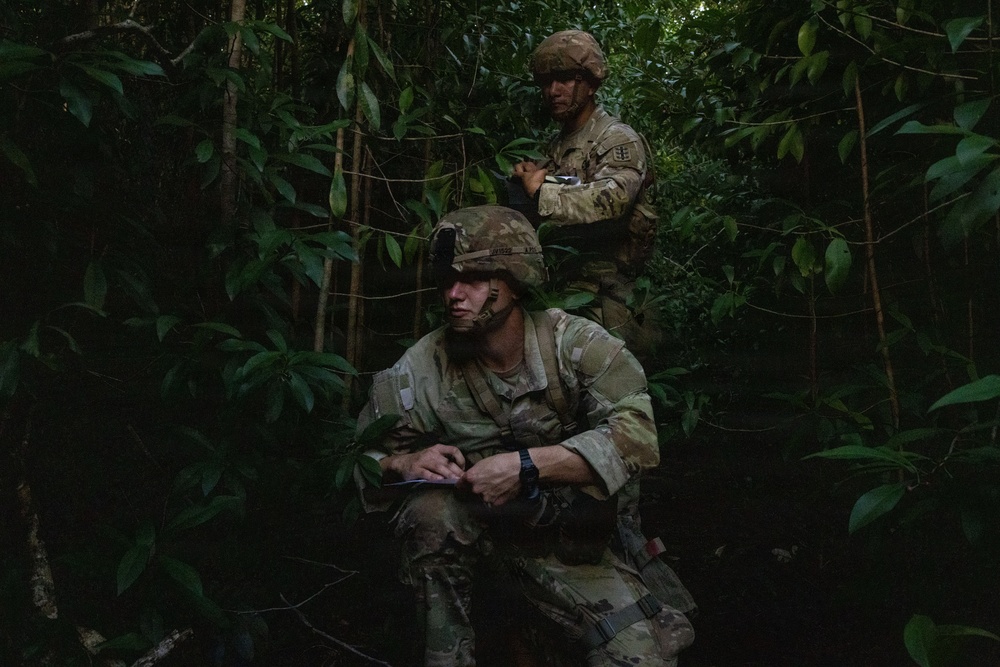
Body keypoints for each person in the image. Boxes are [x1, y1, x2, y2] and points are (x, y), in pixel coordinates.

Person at [355, 205, 693, 666]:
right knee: (430, 513)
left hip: (564, 543)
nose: (454, 295)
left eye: (472, 279)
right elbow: (359, 458)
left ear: (513, 281)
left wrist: (526, 466)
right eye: (446, 281)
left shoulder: (574, 345)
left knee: (641, 656)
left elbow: (636, 437)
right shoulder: (424, 366)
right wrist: (401, 464)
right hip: (472, 539)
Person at [510, 30, 661, 361]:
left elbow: (615, 198)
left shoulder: (616, 138)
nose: (553, 91)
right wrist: (527, 178)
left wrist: (542, 191)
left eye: (566, 79)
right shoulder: (557, 144)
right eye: (547, 82)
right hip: (562, 288)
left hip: (610, 300)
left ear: (591, 83)